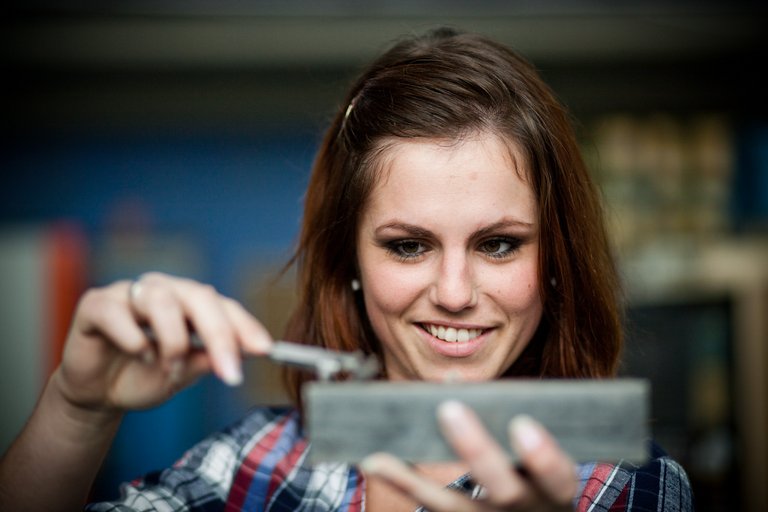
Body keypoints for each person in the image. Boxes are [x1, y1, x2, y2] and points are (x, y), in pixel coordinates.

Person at [0, 27, 693, 511]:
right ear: (350, 262)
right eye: (407, 245)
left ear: (556, 263)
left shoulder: (626, 481)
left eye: (499, 244)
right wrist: (77, 407)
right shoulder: (259, 462)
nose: (453, 293)